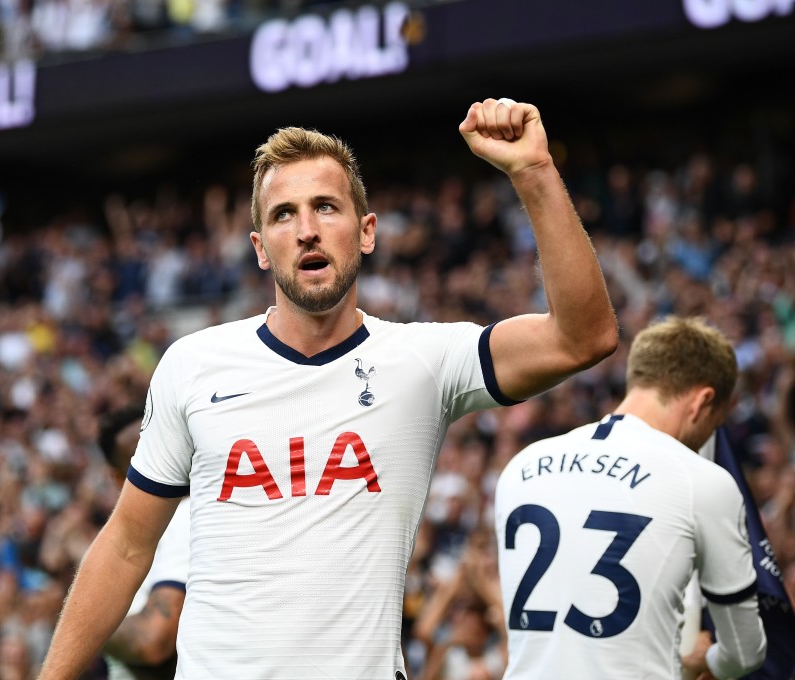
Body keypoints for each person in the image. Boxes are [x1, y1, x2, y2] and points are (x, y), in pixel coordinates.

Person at [37, 97, 618, 679]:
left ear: (366, 232)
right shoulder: (193, 364)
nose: (307, 230)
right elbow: (126, 547)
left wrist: (534, 173)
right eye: (284, 215)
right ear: (261, 248)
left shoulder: (424, 361)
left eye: (325, 208)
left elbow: (583, 337)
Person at [494, 316, 767, 680]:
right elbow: (745, 652)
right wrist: (703, 661)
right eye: (712, 426)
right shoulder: (701, 480)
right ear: (703, 402)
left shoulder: (520, 467)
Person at [97, 405, 191, 680]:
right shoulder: (148, 529)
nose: (160, 458)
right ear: (116, 476)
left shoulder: (184, 513)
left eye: (163, 444)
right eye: (139, 455)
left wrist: (88, 624)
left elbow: (153, 639)